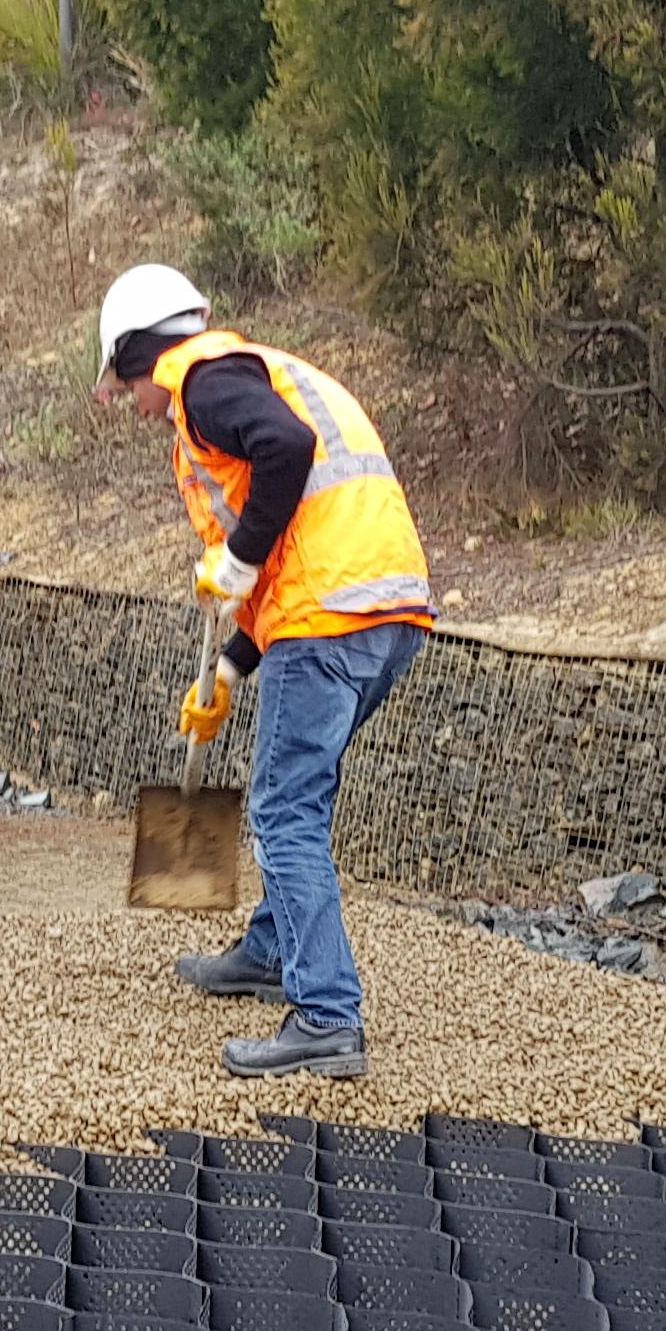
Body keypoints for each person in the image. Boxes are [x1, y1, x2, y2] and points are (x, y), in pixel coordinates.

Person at [92, 263, 436, 1079]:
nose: (134, 406)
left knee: (284, 810)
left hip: (327, 616)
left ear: (143, 352)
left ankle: (325, 1014)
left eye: (124, 383)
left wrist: (236, 561)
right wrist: (230, 670)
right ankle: (272, 950)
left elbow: (287, 455)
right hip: (384, 611)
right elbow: (292, 523)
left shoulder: (205, 382)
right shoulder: (261, 371)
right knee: (300, 795)